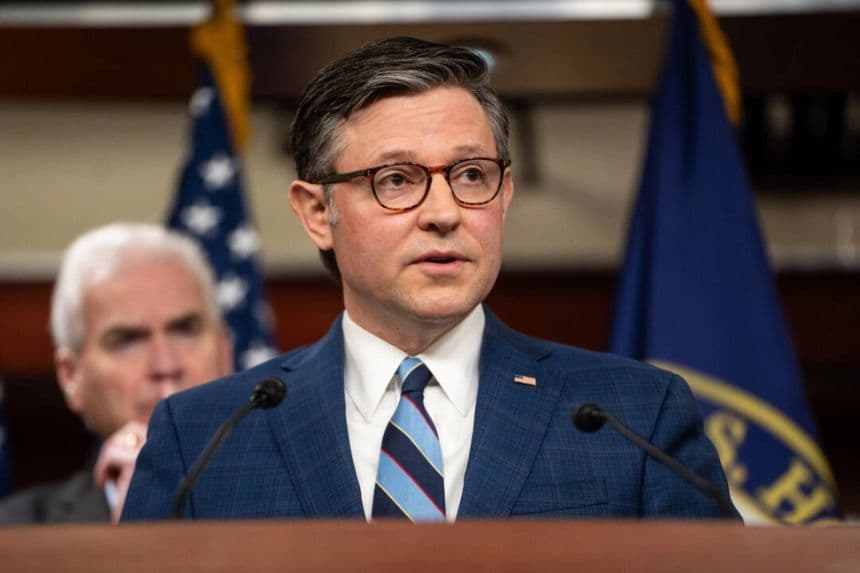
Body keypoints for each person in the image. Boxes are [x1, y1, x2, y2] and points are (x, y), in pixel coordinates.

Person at [123, 37, 738, 522]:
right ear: (316, 213)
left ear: (504, 195)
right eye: (396, 180)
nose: (444, 213)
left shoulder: (633, 416)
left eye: (471, 175)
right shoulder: (202, 437)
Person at [0, 223, 232, 524]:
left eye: (185, 330)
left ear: (225, 351)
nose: (165, 365)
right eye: (127, 340)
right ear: (71, 377)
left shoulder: (290, 509)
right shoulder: (16, 533)